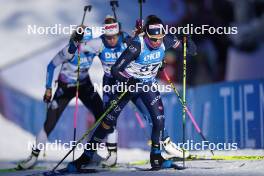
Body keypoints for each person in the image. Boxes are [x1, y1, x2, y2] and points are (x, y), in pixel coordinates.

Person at [66, 15, 196, 171]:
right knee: (107, 123)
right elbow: (115, 70)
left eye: (159, 39)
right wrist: (128, 81)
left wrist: (187, 40)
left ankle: (156, 157)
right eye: (153, 39)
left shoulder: (166, 40)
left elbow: (191, 51)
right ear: (146, 35)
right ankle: (85, 158)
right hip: (127, 87)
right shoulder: (136, 46)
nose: (157, 42)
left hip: (147, 86)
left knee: (159, 121)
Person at [17, 27, 104, 170]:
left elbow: (108, 42)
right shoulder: (68, 51)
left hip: (84, 85)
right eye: (83, 43)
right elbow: (50, 66)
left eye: (89, 43)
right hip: (66, 87)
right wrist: (48, 88)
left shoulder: (94, 47)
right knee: (50, 122)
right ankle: (33, 156)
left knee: (103, 115)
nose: (86, 47)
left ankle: (91, 154)